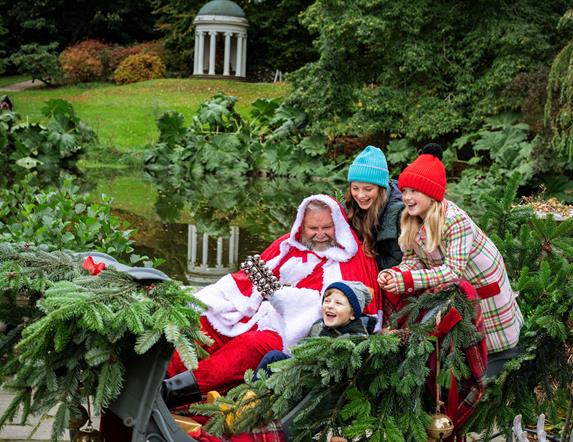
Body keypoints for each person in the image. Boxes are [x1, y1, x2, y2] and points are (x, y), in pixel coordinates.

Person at [162, 194, 381, 408]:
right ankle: (159, 375)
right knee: (206, 321)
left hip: (296, 332)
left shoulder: (352, 257)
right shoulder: (288, 244)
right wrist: (204, 302)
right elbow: (246, 281)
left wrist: (290, 300)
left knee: (251, 346)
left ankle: (173, 393)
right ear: (302, 226)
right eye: (313, 229)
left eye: (327, 228)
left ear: (338, 225)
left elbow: (350, 307)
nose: (320, 235)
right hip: (261, 314)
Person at [378, 143, 523, 377]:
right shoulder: (412, 218)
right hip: (457, 291)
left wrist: (407, 280)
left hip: (482, 288)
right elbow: (413, 259)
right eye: (404, 191)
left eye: (414, 191)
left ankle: (498, 379)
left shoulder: (455, 221)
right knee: (465, 349)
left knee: (494, 350)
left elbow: (453, 272)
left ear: (431, 193)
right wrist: (396, 273)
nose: (406, 197)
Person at [255, 280, 372, 377]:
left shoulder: (356, 338)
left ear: (352, 314)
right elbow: (302, 349)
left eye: (338, 303)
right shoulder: (318, 326)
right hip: (303, 368)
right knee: (273, 357)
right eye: (327, 301)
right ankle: (252, 396)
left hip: (320, 378)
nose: (330, 306)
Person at [345, 145, 404, 271]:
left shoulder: (399, 211)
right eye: (355, 188)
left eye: (368, 189)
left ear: (381, 188)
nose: (360, 195)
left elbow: (398, 260)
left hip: (390, 275)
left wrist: (361, 261)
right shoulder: (349, 205)